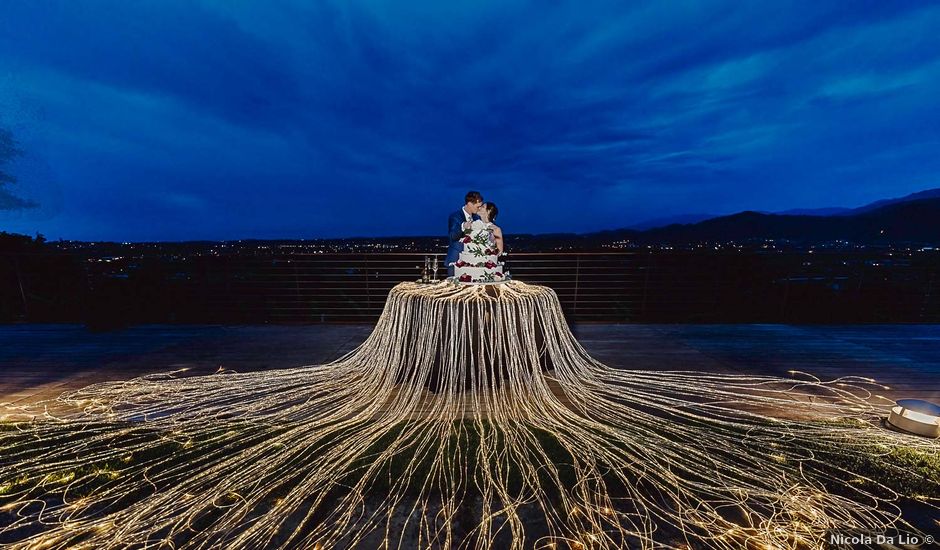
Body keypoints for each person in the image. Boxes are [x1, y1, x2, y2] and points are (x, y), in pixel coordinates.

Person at [446, 191, 483, 276]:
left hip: (472, 262)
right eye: (478, 206)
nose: (479, 209)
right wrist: (463, 227)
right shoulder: (455, 216)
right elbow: (452, 236)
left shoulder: (477, 217)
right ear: (470, 204)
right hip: (456, 259)